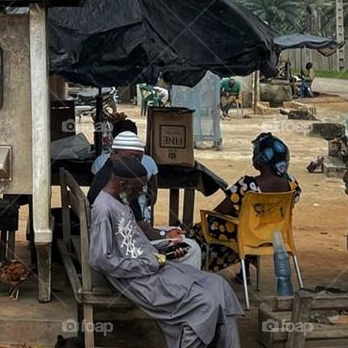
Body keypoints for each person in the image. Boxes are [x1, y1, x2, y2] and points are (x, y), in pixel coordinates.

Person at [89, 157, 242, 348]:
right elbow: (99, 259)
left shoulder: (120, 199)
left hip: (153, 266)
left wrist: (164, 247)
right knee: (205, 304)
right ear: (122, 184)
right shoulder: (103, 209)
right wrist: (148, 263)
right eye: (139, 188)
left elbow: (135, 241)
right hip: (137, 279)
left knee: (219, 286)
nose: (141, 192)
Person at [187, 132, 301, 273]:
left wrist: (207, 218)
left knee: (202, 229)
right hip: (274, 234)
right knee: (243, 221)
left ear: (262, 159)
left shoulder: (246, 185)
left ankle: (197, 268)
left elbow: (222, 210)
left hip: (247, 235)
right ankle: (243, 270)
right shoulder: (293, 185)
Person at [90, 126, 201, 268]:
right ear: (115, 153)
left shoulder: (110, 175)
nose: (136, 162)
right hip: (127, 252)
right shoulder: (121, 185)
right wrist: (164, 237)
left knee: (177, 236)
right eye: (132, 157)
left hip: (127, 243)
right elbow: (138, 227)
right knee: (191, 247)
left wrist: (164, 234)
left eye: (139, 159)